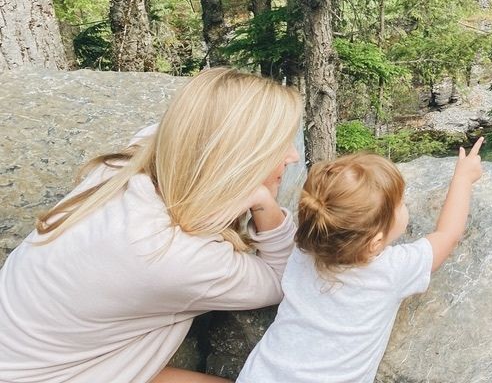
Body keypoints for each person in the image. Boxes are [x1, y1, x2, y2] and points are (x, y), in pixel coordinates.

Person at [0, 67, 303, 383]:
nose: (293, 156)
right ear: (239, 159)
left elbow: (194, 133)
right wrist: (264, 203)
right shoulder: (175, 257)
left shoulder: (130, 166)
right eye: (280, 144)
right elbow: (283, 278)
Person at [236, 137, 486, 383]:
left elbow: (277, 234)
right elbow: (447, 235)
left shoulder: (303, 252)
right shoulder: (390, 271)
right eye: (400, 203)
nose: (404, 205)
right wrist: (463, 179)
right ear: (375, 243)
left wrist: (260, 200)